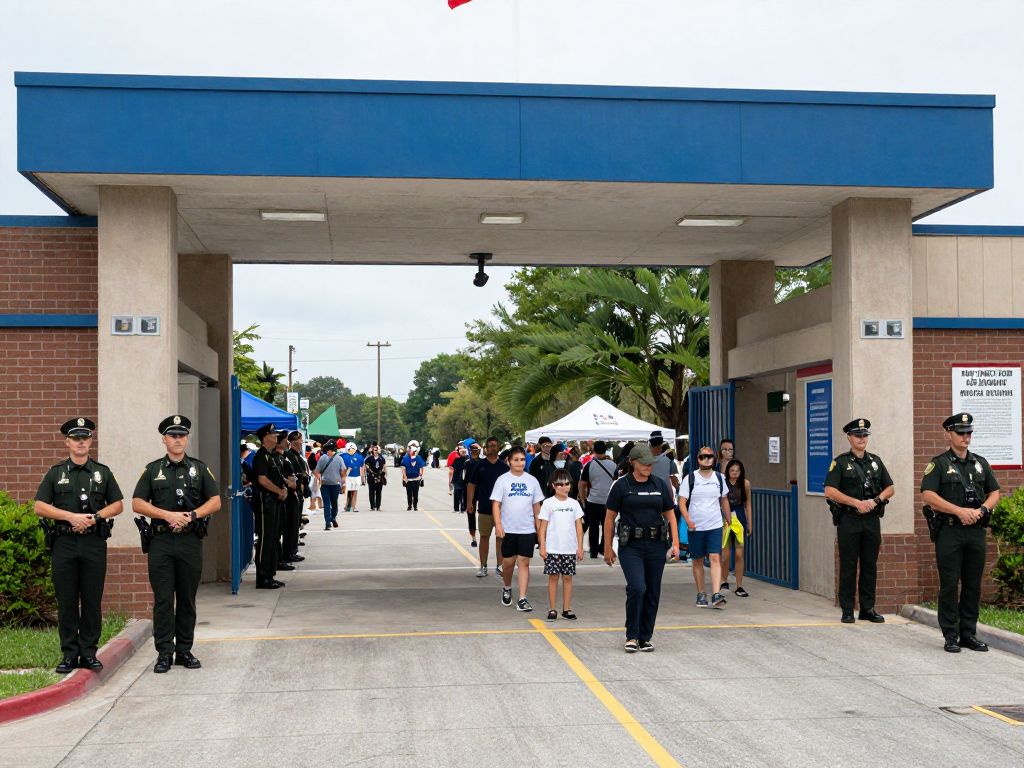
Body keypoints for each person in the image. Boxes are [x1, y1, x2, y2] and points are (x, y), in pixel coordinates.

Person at [33, 418, 123, 675]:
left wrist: (94, 517)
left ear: (91, 441)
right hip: (64, 544)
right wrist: (70, 517)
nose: (81, 442)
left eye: (85, 438)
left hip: (93, 543)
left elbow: (117, 504)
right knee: (67, 601)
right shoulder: (56, 473)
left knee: (92, 600)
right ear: (67, 442)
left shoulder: (102, 472)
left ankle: (89, 653)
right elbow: (39, 506)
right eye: (76, 438)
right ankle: (70, 654)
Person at [132, 415, 221, 673]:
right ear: (164, 439)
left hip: (189, 541)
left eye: (182, 435)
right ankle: (164, 653)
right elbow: (138, 502)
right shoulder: (152, 470)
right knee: (162, 599)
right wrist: (167, 515)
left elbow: (214, 501)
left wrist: (192, 515)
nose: (178, 439)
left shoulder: (199, 469)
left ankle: (184, 650)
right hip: (160, 541)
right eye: (173, 435)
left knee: (186, 598)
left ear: (187, 438)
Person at [920, 412, 1000, 653]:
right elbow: (928, 496)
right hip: (950, 532)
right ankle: (950, 635)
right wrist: (958, 511)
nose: (966, 437)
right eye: (961, 433)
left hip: (975, 531)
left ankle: (968, 633)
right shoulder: (939, 464)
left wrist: (982, 509)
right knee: (949, 584)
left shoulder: (980, 463)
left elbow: (994, 492)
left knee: (973, 584)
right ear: (949, 434)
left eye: (969, 433)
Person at [604, 444, 680, 653]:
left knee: (653, 591)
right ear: (633, 462)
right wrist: (607, 547)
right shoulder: (621, 486)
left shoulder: (660, 485)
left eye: (650, 463)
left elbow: (670, 516)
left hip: (656, 545)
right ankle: (632, 635)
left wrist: (675, 543)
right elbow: (609, 518)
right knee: (638, 587)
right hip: (631, 547)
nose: (648, 466)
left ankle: (645, 637)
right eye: (644, 463)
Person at [824, 418, 895, 624]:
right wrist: (855, 502)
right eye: (858, 435)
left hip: (871, 519)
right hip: (849, 519)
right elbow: (829, 490)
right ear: (849, 437)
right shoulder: (840, 462)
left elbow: (890, 488)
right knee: (848, 565)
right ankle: (847, 609)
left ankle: (868, 608)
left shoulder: (876, 461)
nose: (862, 439)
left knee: (869, 564)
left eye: (864, 435)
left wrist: (876, 501)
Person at [491, 446, 545, 612]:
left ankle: (522, 598)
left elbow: (537, 508)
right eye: (516, 460)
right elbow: (496, 504)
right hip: (508, 530)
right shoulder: (502, 480)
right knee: (508, 563)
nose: (520, 463)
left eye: (522, 459)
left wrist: (539, 530)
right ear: (509, 461)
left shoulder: (532, 481)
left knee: (524, 562)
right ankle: (507, 587)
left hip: (527, 529)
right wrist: (498, 525)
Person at [679, 446, 730, 609]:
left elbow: (724, 499)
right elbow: (682, 502)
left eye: (709, 456)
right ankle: (701, 593)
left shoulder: (720, 478)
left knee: (715, 557)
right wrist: (688, 520)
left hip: (715, 524)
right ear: (698, 459)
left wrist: (728, 518)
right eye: (702, 456)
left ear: (714, 458)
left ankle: (716, 594)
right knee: (698, 560)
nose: (706, 459)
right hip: (696, 526)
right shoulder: (690, 479)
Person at [538, 468, 585, 621]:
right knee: (553, 578)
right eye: (560, 484)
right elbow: (542, 528)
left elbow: (579, 528)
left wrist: (580, 547)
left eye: (567, 484)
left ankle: (566, 608)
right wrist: (543, 547)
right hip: (553, 549)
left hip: (570, 549)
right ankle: (552, 609)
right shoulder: (548, 503)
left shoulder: (574, 504)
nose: (565, 487)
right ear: (553, 485)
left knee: (567, 578)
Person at [249, 424, 286, 586]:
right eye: (273, 434)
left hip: (274, 502)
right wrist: (278, 491)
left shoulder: (269, 456)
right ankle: (263, 577)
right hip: (266, 502)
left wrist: (282, 488)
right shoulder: (261, 456)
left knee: (272, 538)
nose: (276, 436)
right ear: (265, 437)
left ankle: (269, 574)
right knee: (265, 539)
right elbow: (262, 480)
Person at [466, 436, 508, 577]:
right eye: (490, 445)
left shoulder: (504, 467)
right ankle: (483, 566)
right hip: (484, 508)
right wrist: (469, 502)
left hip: (502, 510)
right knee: (484, 537)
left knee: (500, 538)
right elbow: (471, 485)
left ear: (499, 448)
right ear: (486, 448)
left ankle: (500, 566)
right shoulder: (480, 465)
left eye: (495, 445)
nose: (492, 448)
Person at [579, 440, 617, 559]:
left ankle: (593, 551)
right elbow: (617, 483)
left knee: (593, 526)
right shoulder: (614, 465)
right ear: (605, 450)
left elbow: (582, 484)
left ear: (594, 451)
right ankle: (605, 548)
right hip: (609, 501)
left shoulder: (589, 465)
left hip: (593, 500)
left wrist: (583, 499)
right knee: (608, 525)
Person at [720, 459, 752, 597]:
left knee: (739, 554)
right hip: (725, 519)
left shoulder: (745, 483)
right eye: (732, 470)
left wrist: (750, 523)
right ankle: (723, 581)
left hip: (739, 517)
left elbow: (748, 504)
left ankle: (739, 585)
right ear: (728, 471)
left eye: (737, 471)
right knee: (725, 555)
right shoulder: (723, 483)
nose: (734, 473)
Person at [273, 431, 298, 575]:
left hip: (290, 495)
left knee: (290, 526)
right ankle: (281, 558)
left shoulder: (283, 457)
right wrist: (288, 484)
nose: (287, 442)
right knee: (280, 530)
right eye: (284, 440)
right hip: (282, 497)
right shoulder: (277, 458)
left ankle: (284, 556)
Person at [283, 431, 308, 564]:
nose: (301, 442)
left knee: (296, 523)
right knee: (291, 525)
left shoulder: (298, 455)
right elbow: (293, 474)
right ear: (293, 442)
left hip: (299, 493)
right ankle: (289, 552)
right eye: (299, 440)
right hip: (293, 493)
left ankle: (293, 550)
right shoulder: (290, 455)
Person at [314, 441, 345, 529]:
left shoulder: (322, 458)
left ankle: (328, 522)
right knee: (334, 502)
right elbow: (343, 472)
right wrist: (343, 484)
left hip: (324, 484)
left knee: (326, 503)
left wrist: (319, 478)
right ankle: (333, 517)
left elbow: (316, 471)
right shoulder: (339, 458)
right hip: (335, 484)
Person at [463, 442, 481, 547]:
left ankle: (477, 535)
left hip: (480, 489)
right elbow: (464, 478)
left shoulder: (482, 462)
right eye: (473, 450)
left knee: (481, 513)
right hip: (470, 489)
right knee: (471, 513)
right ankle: (473, 537)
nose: (474, 452)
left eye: (476, 450)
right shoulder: (467, 463)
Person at [401, 440, 427, 510]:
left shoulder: (418, 457)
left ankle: (415, 506)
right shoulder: (405, 458)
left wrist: (421, 476)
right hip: (408, 479)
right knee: (409, 494)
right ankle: (409, 506)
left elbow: (422, 467)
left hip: (416, 478)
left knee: (415, 494)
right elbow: (403, 469)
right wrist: (405, 477)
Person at [342, 442, 365, 513]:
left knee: (354, 492)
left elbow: (362, 468)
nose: (351, 450)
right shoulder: (342, 456)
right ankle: (347, 506)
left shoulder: (359, 457)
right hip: (347, 476)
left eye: (352, 449)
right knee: (348, 492)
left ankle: (353, 506)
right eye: (350, 449)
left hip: (355, 476)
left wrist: (362, 478)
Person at [365, 443, 387, 510]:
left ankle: (378, 506)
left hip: (379, 476)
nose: (375, 451)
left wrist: (384, 474)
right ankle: (372, 506)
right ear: (372, 451)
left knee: (378, 492)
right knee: (371, 492)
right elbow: (365, 464)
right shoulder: (369, 458)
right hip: (371, 476)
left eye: (376, 450)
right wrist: (369, 470)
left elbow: (384, 466)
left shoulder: (381, 458)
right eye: (374, 450)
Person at [451, 444, 469, 515]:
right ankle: (457, 508)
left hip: (463, 480)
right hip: (457, 479)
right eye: (462, 452)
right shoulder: (457, 459)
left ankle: (462, 509)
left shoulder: (467, 460)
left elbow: (453, 467)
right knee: (457, 494)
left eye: (464, 452)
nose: (463, 453)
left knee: (463, 495)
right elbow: (453, 468)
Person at [306, 442, 323, 512]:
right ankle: (318, 505)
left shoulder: (313, 454)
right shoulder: (320, 452)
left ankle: (313, 505)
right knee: (317, 490)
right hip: (319, 474)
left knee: (314, 491)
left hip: (314, 474)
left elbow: (311, 466)